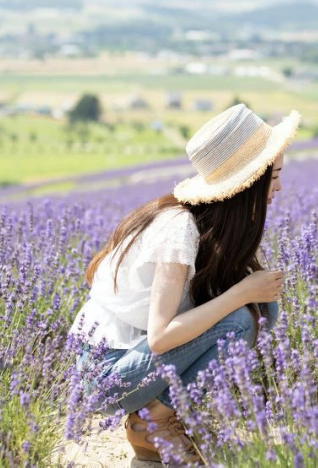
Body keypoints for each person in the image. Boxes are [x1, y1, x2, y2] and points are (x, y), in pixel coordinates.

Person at [69, 103, 300, 463]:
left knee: (261, 308)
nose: (280, 187)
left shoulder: (210, 228)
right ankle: (152, 422)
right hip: (106, 374)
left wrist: (249, 293)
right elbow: (161, 337)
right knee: (241, 318)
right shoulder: (179, 229)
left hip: (134, 362)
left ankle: (163, 417)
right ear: (249, 184)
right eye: (273, 177)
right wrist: (241, 292)